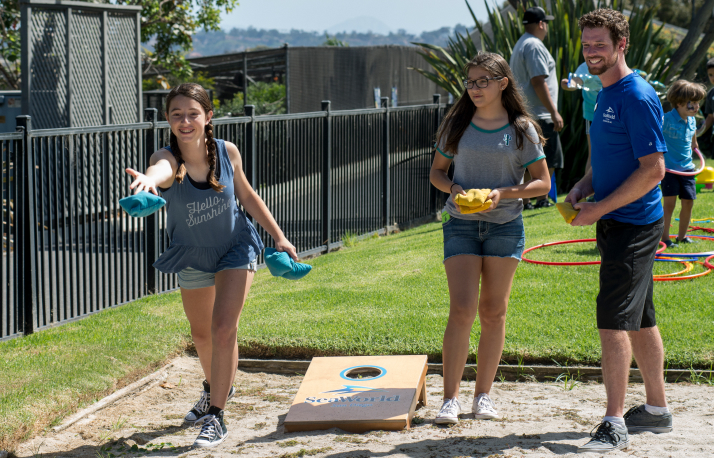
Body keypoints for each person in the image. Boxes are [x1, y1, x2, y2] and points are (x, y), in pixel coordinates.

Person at [125, 83, 298, 448]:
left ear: (208, 117)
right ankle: (215, 387)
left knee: (223, 328)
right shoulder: (168, 156)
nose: (185, 121)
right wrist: (146, 181)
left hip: (235, 248)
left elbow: (248, 195)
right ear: (168, 120)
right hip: (192, 253)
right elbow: (160, 170)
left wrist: (279, 237)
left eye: (192, 113)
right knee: (201, 335)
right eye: (176, 115)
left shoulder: (226, 151)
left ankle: (216, 415)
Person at [565, 9, 672, 454]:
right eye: (587, 44)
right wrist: (584, 186)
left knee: (612, 319)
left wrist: (601, 209)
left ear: (621, 45)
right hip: (614, 219)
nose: (592, 52)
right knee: (639, 318)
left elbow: (654, 171)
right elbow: (610, 156)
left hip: (633, 225)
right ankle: (657, 410)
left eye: (600, 45)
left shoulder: (636, 96)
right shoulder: (605, 91)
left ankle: (613, 423)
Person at [430, 52, 550, 425]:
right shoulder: (457, 124)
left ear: (502, 83)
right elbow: (436, 173)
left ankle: (483, 396)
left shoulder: (522, 129)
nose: (475, 88)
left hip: (504, 226)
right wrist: (455, 189)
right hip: (461, 225)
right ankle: (449, 399)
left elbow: (542, 183)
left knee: (493, 312)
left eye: (484, 81)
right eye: (470, 81)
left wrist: (504, 193)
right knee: (463, 310)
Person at [510, 6, 563, 209]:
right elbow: (538, 80)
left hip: (526, 112)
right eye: (546, 23)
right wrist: (553, 111)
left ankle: (526, 201)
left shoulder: (521, 43)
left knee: (526, 159)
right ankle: (541, 199)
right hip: (539, 114)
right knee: (549, 158)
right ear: (541, 24)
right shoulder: (534, 45)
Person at [661, 80, 706, 248]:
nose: (696, 107)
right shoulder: (666, 119)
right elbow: (653, 133)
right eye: (692, 103)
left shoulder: (691, 119)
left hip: (687, 168)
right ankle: (665, 238)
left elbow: (693, 133)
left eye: (697, 103)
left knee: (688, 201)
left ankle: (682, 236)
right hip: (670, 169)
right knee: (670, 204)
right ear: (679, 103)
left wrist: (695, 143)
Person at [560, 61, 603, 174]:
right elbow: (576, 81)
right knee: (594, 154)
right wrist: (570, 84)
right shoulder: (585, 67)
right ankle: (589, 190)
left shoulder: (613, 64)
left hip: (614, 115)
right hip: (593, 116)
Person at [695, 58, 714, 158]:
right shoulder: (711, 94)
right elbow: (710, 117)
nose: (713, 77)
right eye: (710, 75)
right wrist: (699, 132)